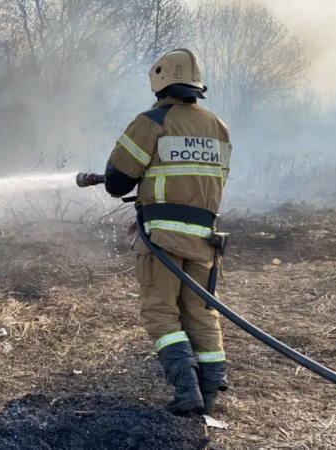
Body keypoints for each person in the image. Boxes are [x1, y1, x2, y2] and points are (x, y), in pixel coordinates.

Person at [103, 48, 231, 416]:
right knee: (201, 312)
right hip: (205, 239)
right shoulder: (217, 126)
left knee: (161, 312)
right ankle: (209, 392)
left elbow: (116, 180)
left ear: (159, 83)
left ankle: (185, 389)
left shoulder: (153, 121)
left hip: (161, 237)